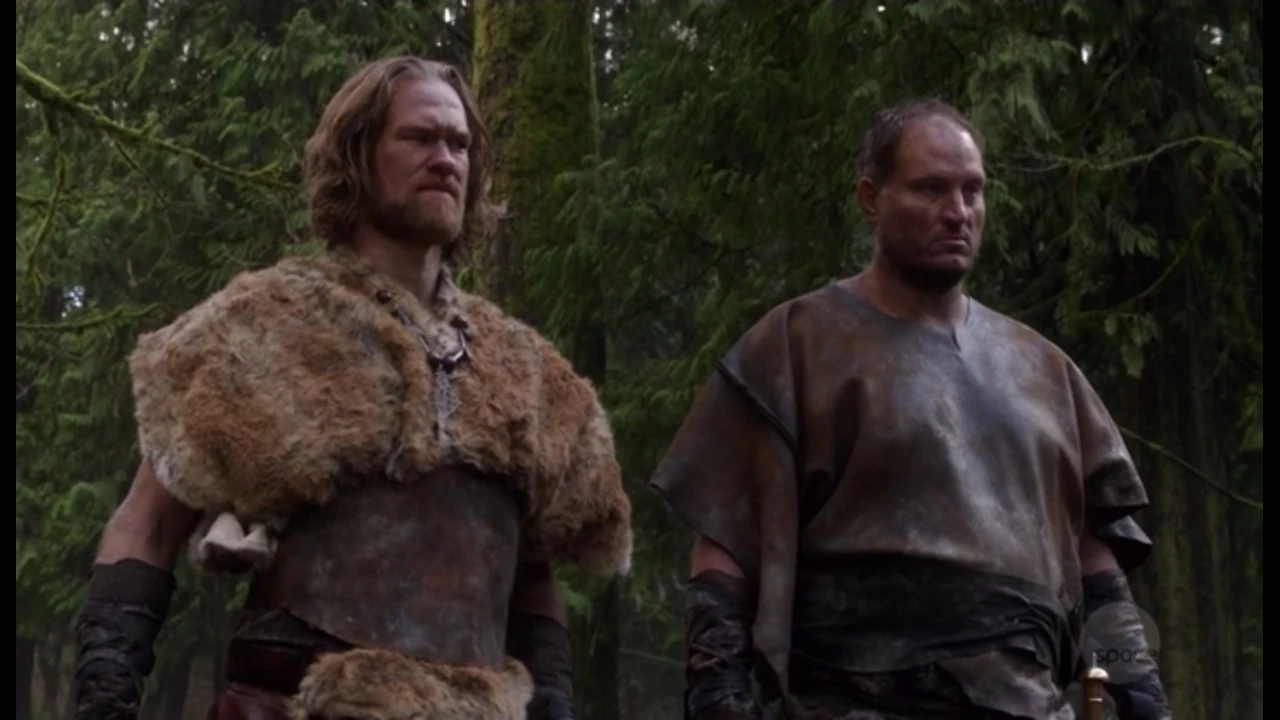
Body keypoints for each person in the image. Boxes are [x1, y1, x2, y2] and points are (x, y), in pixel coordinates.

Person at [71, 56, 634, 720]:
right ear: (357, 157)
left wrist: (555, 705)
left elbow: (529, 573)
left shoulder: (524, 369)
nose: (445, 159)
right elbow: (147, 525)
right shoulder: (262, 326)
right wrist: (104, 702)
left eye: (459, 145)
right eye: (419, 138)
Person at [650, 99, 1171, 720]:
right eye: (931, 189)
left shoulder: (1045, 372)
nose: (958, 212)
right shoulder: (796, 345)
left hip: (1026, 704)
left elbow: (1096, 568)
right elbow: (727, 548)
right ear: (871, 199)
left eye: (972, 191)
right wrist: (717, 698)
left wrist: (1143, 701)